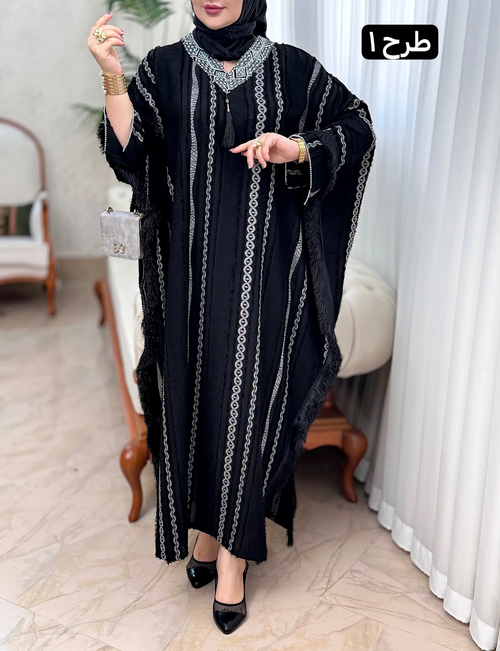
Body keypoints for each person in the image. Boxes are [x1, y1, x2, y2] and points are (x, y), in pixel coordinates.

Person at [88, 0, 375, 635]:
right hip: (186, 273)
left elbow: (357, 125)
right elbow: (129, 152)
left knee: (244, 407)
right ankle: (203, 530)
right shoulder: (164, 67)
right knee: (192, 399)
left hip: (263, 275)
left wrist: (294, 147)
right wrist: (111, 73)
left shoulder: (292, 69)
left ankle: (233, 560)